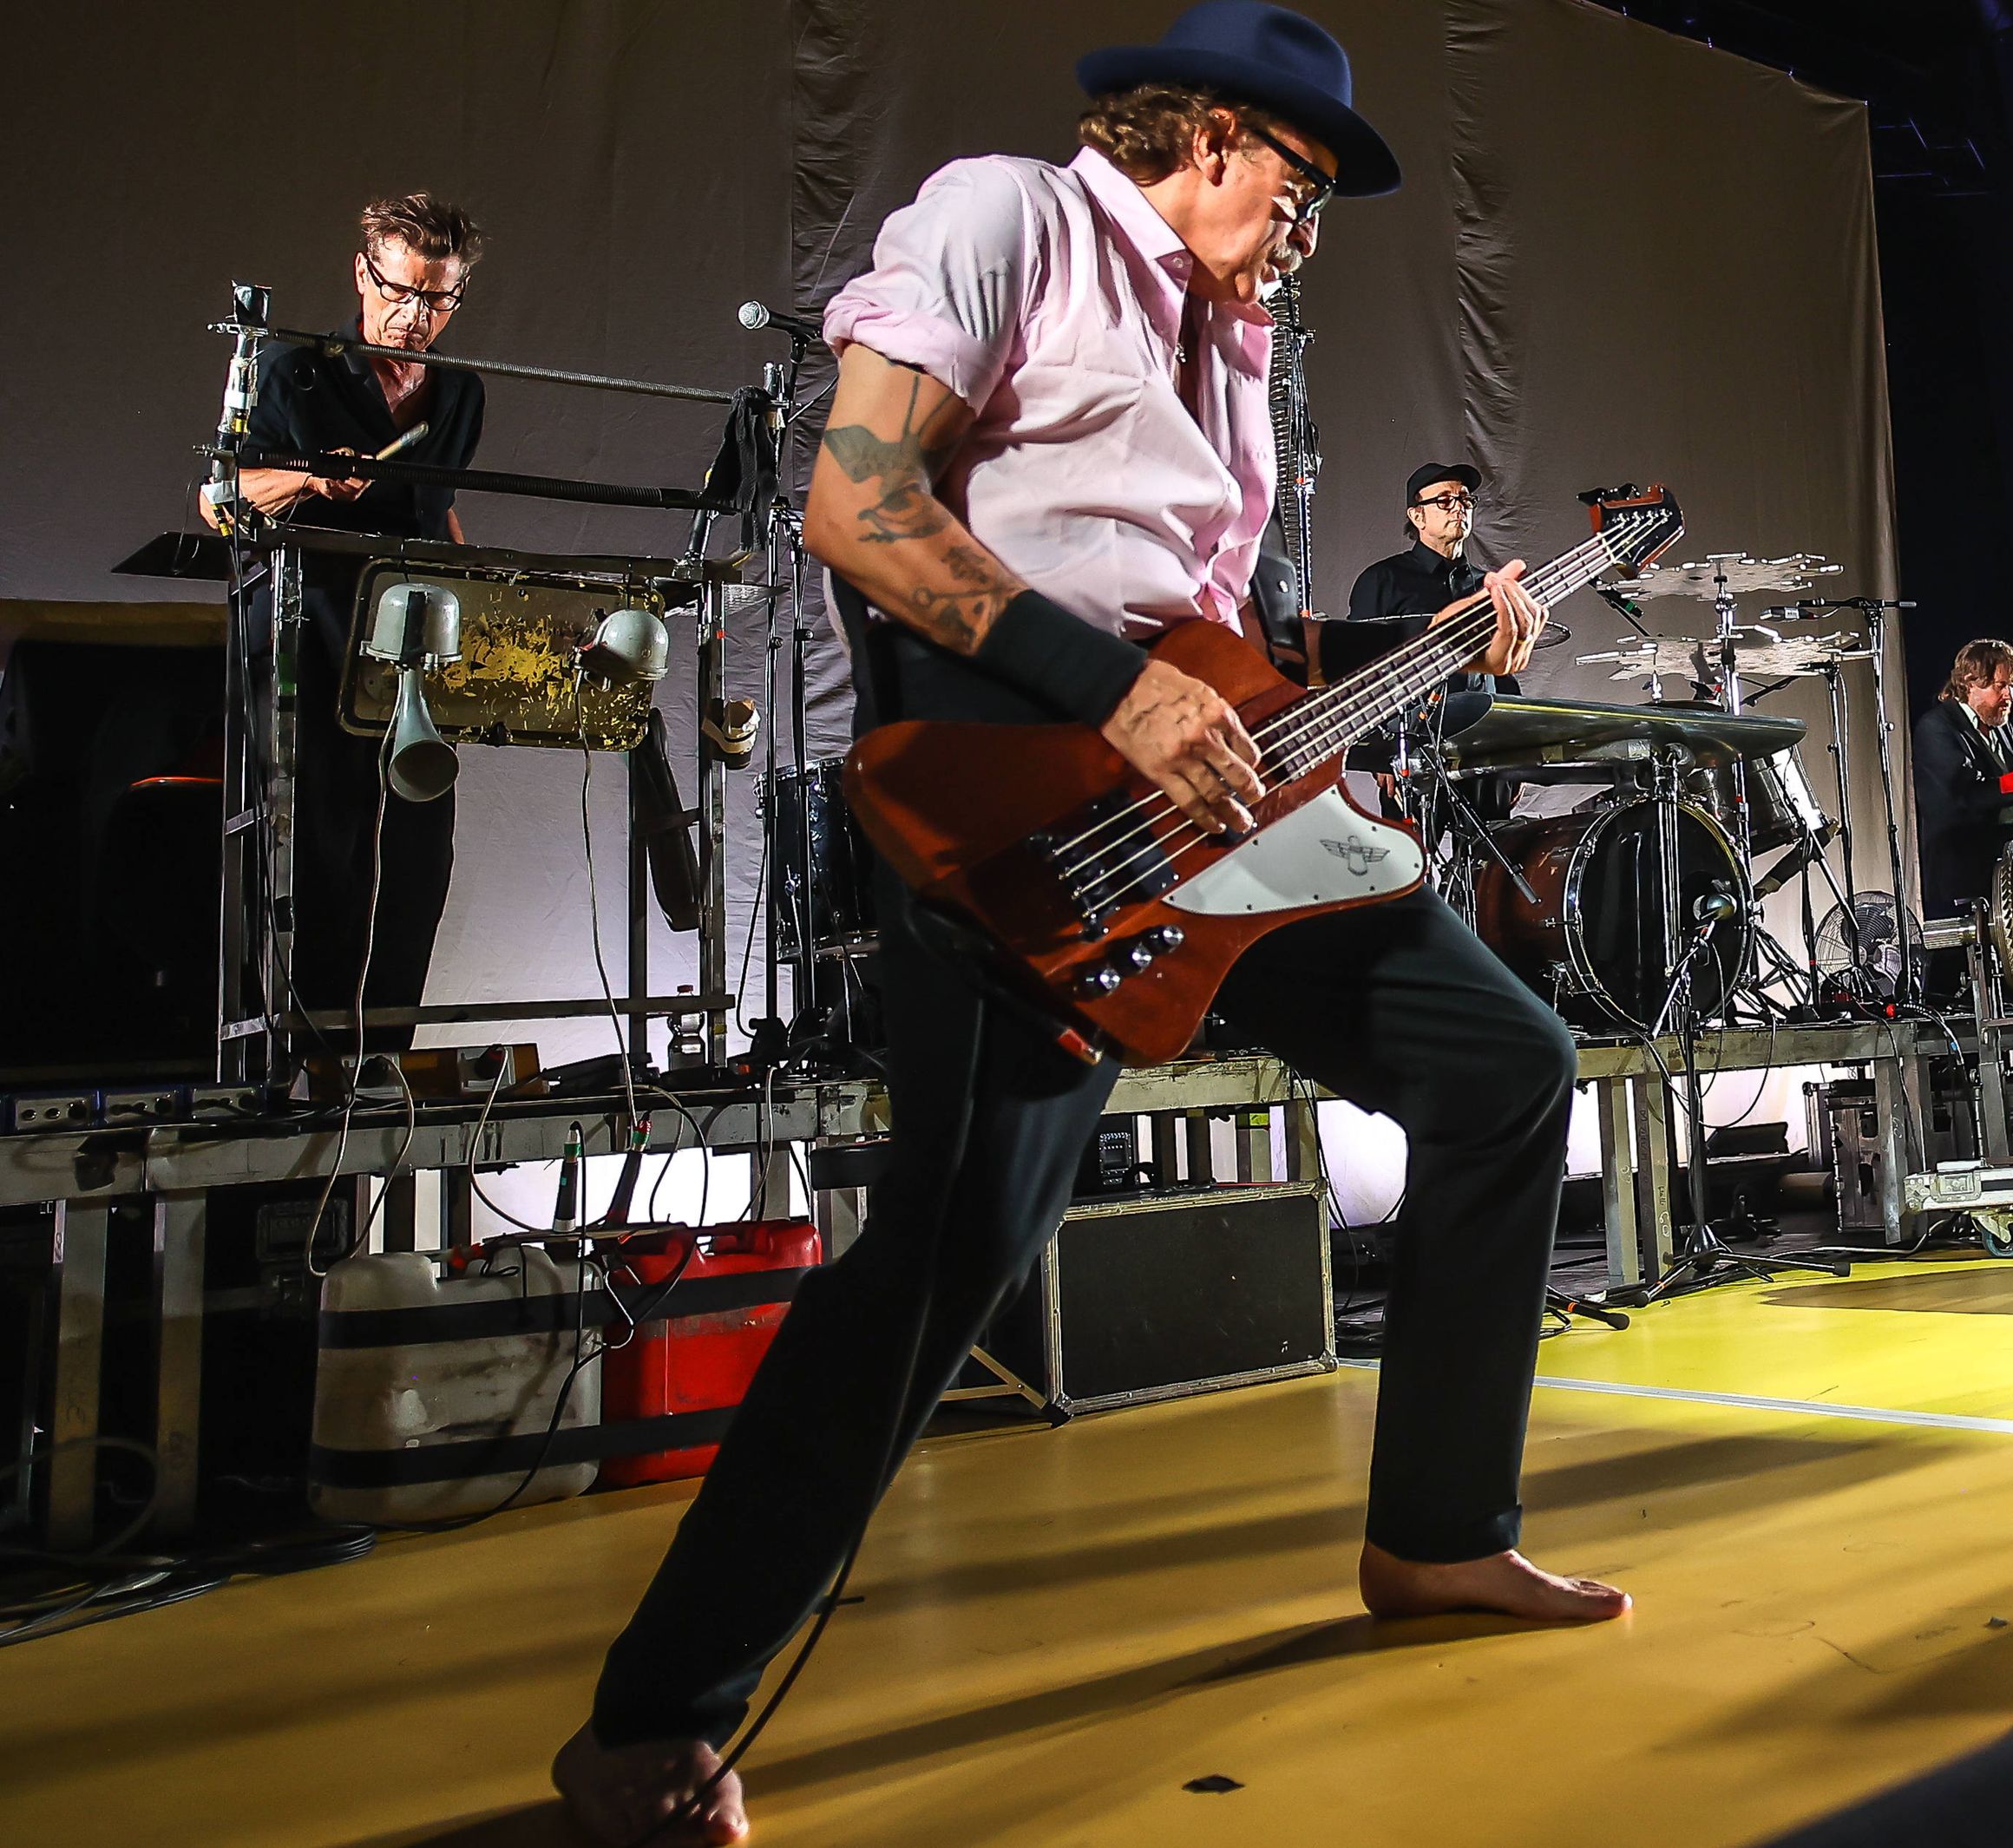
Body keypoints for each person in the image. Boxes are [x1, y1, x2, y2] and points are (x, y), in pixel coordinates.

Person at [553, 10, 1623, 1842]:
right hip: (1019, 806)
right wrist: (1109, 693)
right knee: (952, 1250)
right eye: (1300, 191)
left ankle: (1441, 1533)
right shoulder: (1008, 218)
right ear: (1211, 138)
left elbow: (1215, 644)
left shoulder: (1234, 347)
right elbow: (859, 508)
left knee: (1508, 1069)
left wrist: (1428, 645)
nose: (1307, 234)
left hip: (1214, 817)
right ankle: (654, 1715)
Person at [212, 193, 489, 1051]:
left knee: (420, 856)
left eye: (436, 298)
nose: (414, 315)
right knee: (327, 853)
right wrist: (308, 478)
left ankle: (384, 1062)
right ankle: (309, 1057)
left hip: (415, 649)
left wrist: (485, 600)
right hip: (316, 635)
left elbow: (437, 512)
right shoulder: (293, 371)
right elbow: (223, 497)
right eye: (400, 291)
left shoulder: (460, 394)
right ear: (363, 274)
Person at [1341, 461, 1504, 690]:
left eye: (1465, 499)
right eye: (1444, 501)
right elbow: (1356, 665)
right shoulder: (1382, 580)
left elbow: (1501, 669)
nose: (1460, 508)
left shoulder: (1487, 585)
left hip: (1485, 711)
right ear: (1418, 517)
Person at [1913, 638, 2013, 917]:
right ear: (1969, 683)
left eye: (2012, 687)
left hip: (2006, 871)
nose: (2009, 696)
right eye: (2000, 686)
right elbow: (1964, 796)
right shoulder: (1936, 727)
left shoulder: (2002, 728)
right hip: (1962, 880)